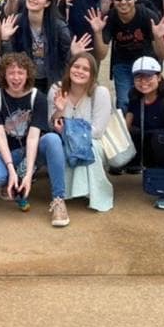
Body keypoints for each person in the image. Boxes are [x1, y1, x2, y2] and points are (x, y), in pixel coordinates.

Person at [0, 53, 70, 227]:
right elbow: (0, 136)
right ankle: (12, 179)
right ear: (4, 75)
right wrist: (11, 170)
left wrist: (29, 174)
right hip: (7, 152)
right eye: (11, 72)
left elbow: (33, 138)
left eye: (20, 72)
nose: (16, 77)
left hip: (32, 149)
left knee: (52, 139)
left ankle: (59, 200)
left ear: (28, 74)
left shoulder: (38, 97)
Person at [88, 0, 164, 111]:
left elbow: (163, 55)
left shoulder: (148, 16)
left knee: (149, 99)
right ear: (112, 1)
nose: (123, 2)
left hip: (146, 61)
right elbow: (101, 55)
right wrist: (98, 33)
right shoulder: (110, 18)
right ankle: (126, 130)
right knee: (124, 102)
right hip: (123, 62)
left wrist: (158, 38)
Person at [47, 53, 114, 212]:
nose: (80, 71)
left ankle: (93, 192)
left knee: (90, 148)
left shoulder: (101, 93)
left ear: (92, 75)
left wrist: (69, 130)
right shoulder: (56, 89)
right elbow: (52, 125)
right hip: (64, 139)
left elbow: (97, 131)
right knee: (61, 146)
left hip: (92, 140)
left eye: (86, 69)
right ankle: (67, 192)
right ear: (69, 68)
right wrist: (59, 110)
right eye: (76, 66)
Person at [1, 0, 92, 93]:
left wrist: (72, 53)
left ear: (47, 3)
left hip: (52, 81)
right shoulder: (16, 22)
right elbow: (8, 60)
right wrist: (5, 40)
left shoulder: (59, 27)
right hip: (24, 81)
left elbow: (65, 62)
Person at [125, 56, 164, 209]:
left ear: (159, 77)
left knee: (159, 138)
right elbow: (127, 124)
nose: (143, 81)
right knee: (132, 133)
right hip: (150, 143)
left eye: (149, 76)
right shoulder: (135, 98)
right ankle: (138, 166)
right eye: (138, 77)